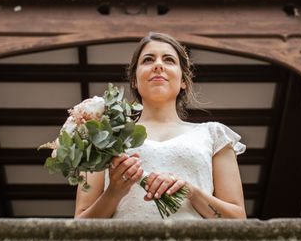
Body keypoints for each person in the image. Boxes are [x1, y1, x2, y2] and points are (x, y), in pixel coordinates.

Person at [74, 32, 246, 219]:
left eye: (169, 60)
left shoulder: (214, 135)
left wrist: (191, 192)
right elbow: (78, 225)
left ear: (183, 81)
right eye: (148, 60)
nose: (158, 65)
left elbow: (238, 220)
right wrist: (114, 192)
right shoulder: (104, 135)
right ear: (134, 80)